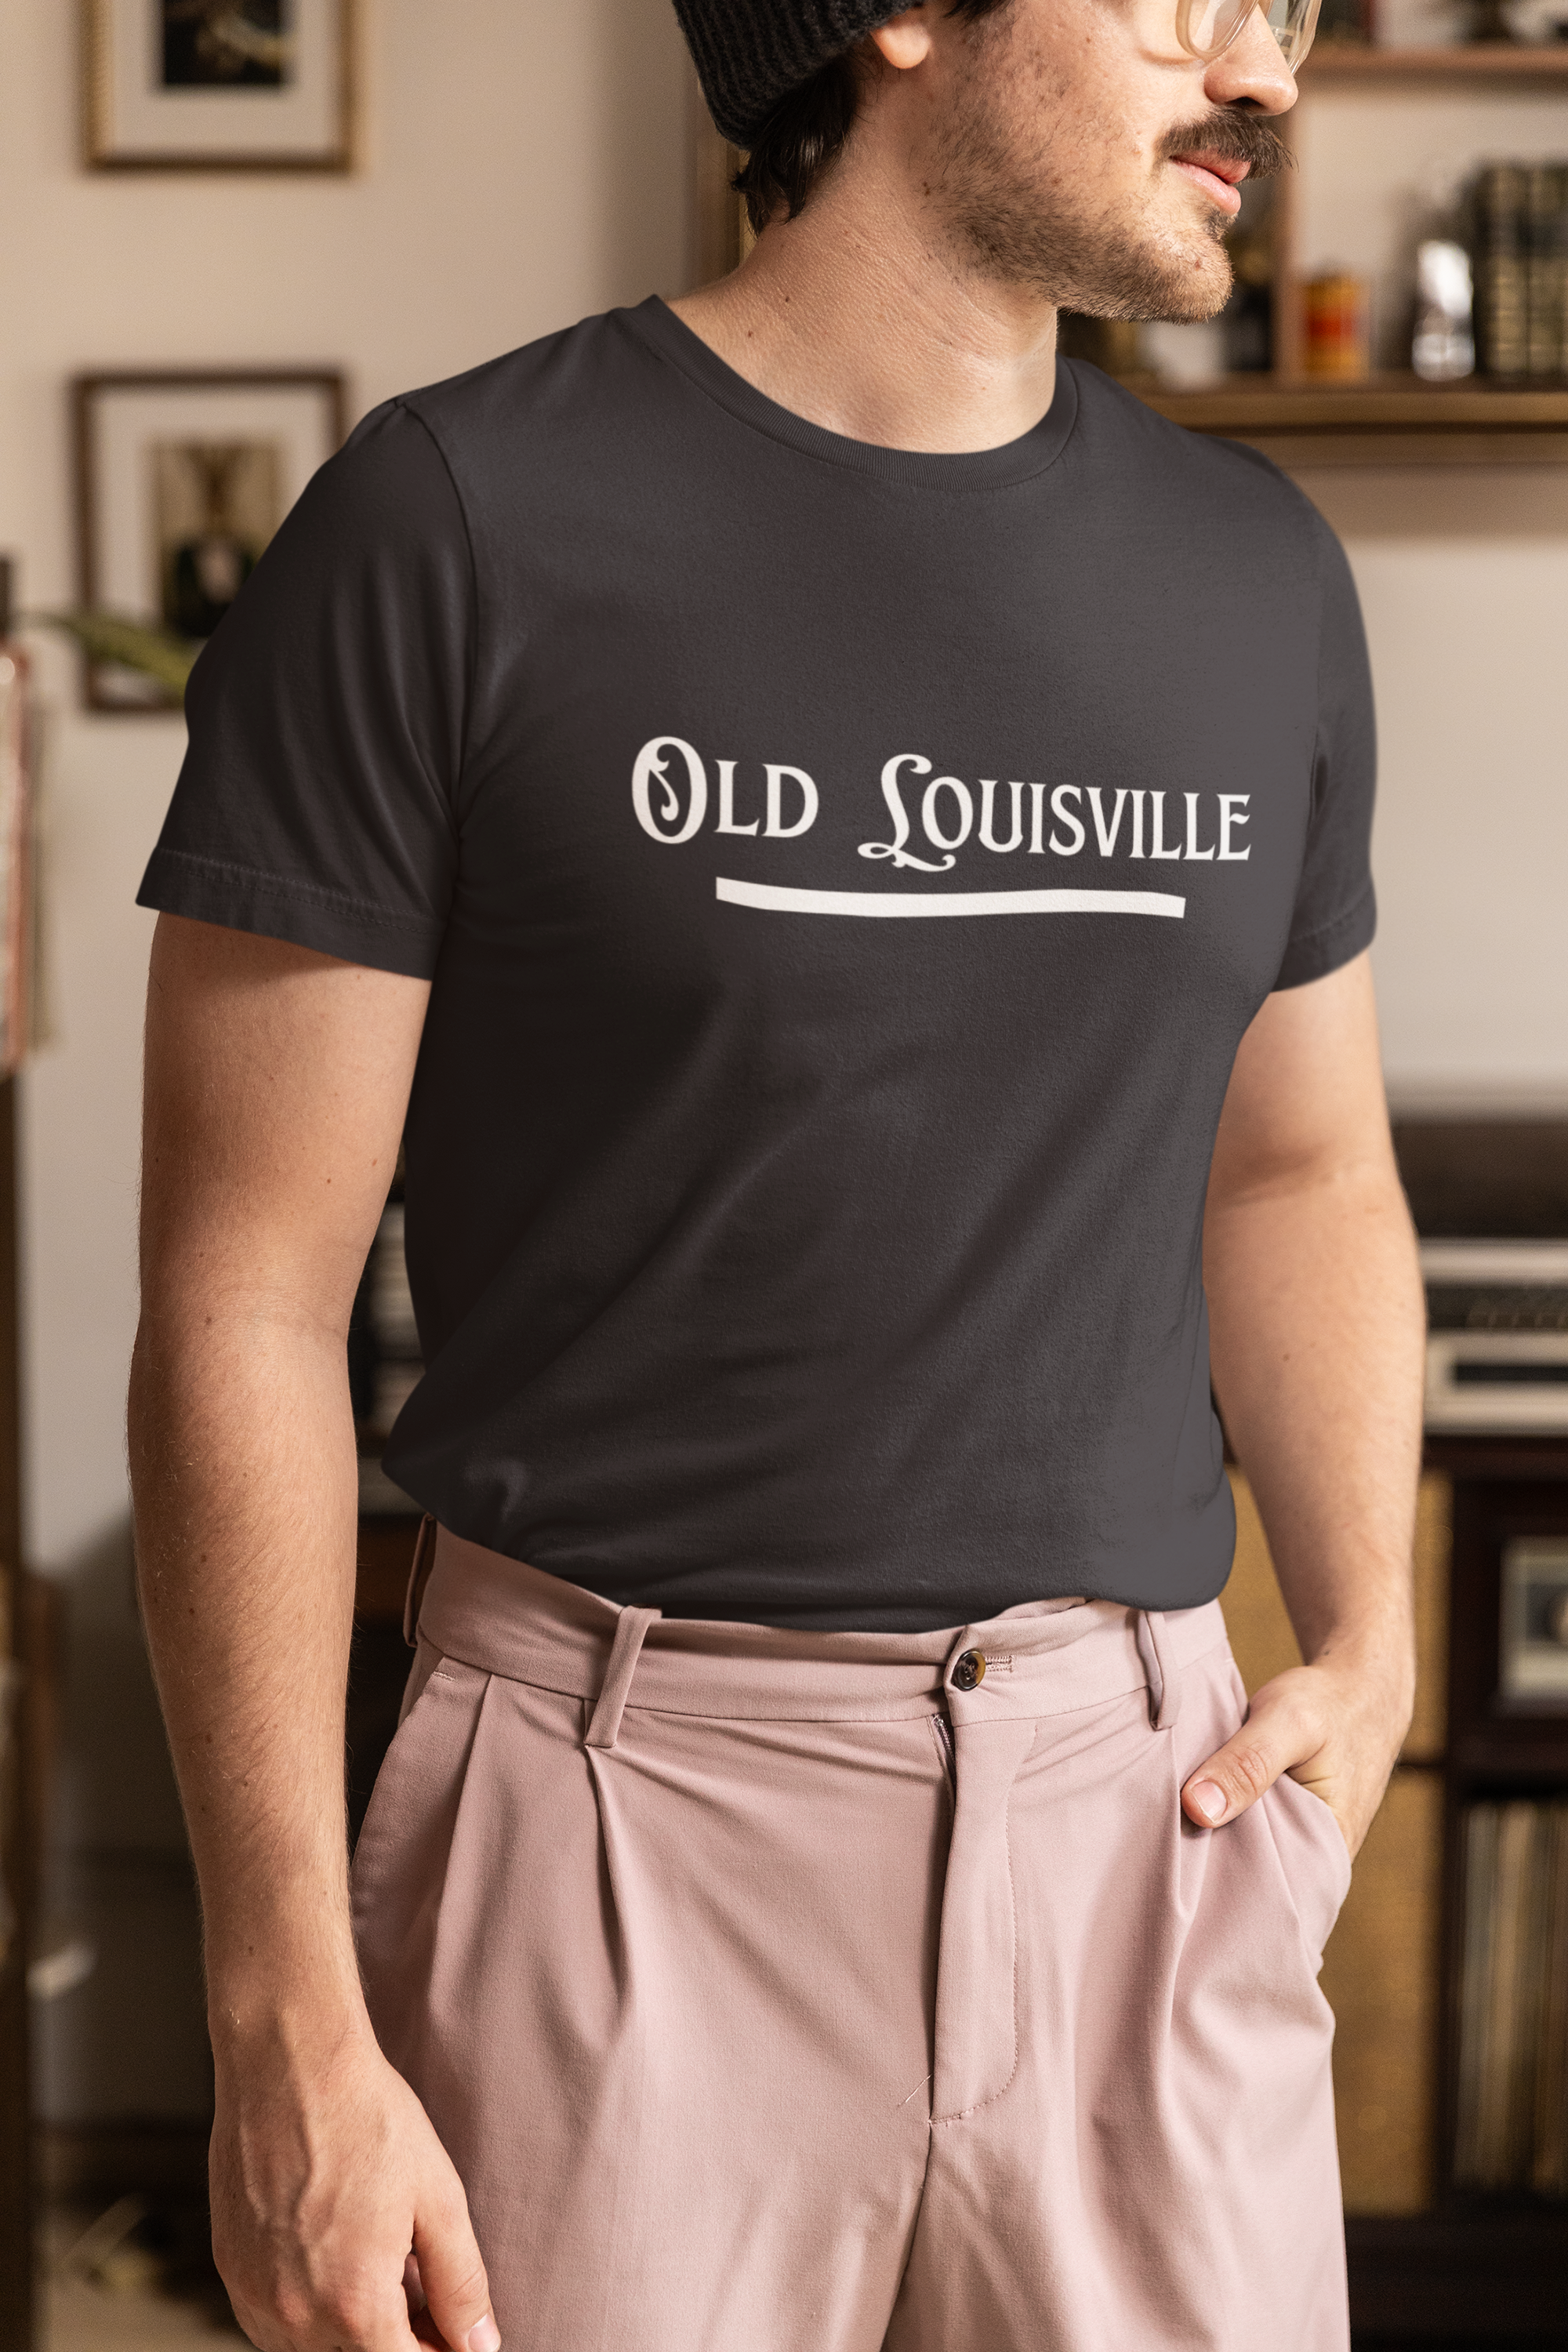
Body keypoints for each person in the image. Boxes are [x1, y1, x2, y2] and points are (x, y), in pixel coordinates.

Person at [128, 2, 1426, 2347]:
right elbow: (239, 1300)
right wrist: (280, 2023)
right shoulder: (445, 527)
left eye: (1298, 5)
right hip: (614, 1844)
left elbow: (1300, 1170)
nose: (1269, 69)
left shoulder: (1260, 577)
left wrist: (1370, 1627)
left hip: (1145, 1821)